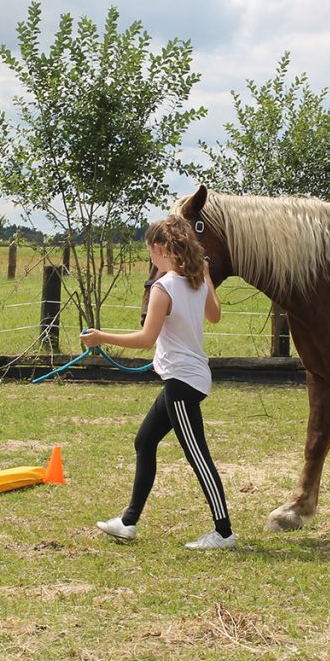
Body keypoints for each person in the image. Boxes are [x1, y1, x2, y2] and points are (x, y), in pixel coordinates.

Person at [80, 215, 236, 550]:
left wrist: (101, 337)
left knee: (198, 456)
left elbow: (146, 337)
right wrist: (208, 278)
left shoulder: (163, 287)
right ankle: (128, 521)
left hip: (182, 381)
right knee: (144, 441)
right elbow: (215, 315)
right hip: (186, 378)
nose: (149, 255)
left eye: (150, 249)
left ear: (159, 247)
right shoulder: (195, 280)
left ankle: (223, 532)